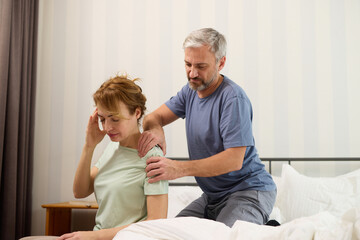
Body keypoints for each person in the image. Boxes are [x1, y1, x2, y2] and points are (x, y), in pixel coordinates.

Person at [137, 28, 276, 227]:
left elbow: (234, 160)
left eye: (201, 66)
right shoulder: (190, 92)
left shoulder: (233, 98)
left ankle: (263, 226)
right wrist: (158, 130)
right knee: (169, 233)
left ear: (221, 63)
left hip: (248, 190)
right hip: (212, 197)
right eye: (188, 64)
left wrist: (177, 168)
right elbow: (152, 118)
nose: (192, 73)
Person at [58, 74, 168, 240]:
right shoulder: (112, 147)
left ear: (137, 112)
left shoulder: (152, 156)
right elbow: (79, 191)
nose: (108, 127)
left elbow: (156, 221)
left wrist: (93, 236)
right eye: (102, 119)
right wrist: (89, 146)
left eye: (115, 119)